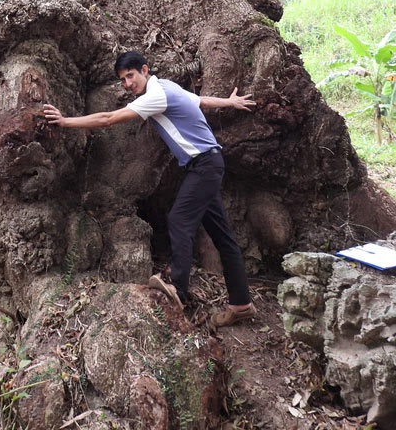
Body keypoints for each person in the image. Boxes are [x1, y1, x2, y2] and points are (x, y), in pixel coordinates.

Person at [43, 50, 257, 327]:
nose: (127, 84)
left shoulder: (157, 95)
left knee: (179, 220)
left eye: (130, 76)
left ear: (144, 70)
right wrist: (228, 101)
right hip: (206, 165)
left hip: (204, 165)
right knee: (223, 236)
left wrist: (64, 122)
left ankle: (178, 291)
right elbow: (201, 100)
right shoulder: (167, 86)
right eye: (122, 80)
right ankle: (241, 304)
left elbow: (108, 118)